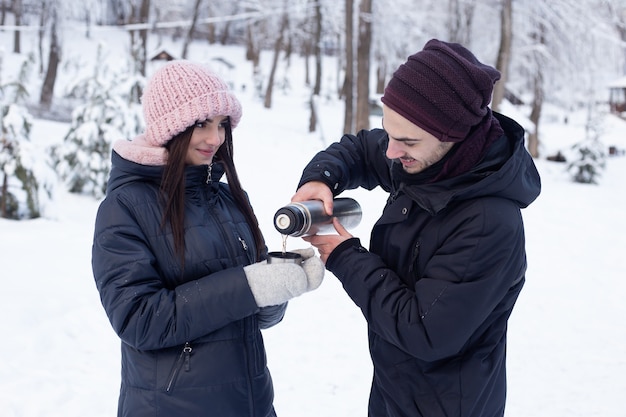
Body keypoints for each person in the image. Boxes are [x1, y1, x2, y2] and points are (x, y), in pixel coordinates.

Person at [291, 39, 541, 417]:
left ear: (454, 137)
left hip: (446, 405)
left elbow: (424, 330)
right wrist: (321, 178)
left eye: (406, 141)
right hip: (396, 390)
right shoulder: (427, 162)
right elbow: (361, 149)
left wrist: (343, 254)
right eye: (389, 132)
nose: (391, 151)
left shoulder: (489, 224)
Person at [91, 60, 324, 417]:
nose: (215, 138)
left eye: (221, 125)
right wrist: (252, 286)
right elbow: (138, 320)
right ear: (171, 127)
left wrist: (280, 285)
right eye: (201, 124)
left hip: (252, 404)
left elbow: (256, 315)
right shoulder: (125, 206)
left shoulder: (227, 197)